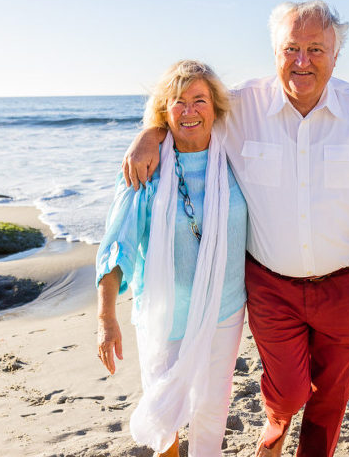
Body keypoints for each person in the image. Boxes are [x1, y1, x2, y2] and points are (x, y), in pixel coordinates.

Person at [122, 0, 349, 457]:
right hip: (271, 286)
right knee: (290, 392)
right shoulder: (240, 106)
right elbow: (189, 119)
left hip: (348, 283)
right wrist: (149, 134)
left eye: (316, 49)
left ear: (336, 55)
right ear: (274, 51)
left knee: (332, 396)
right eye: (291, 48)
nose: (302, 61)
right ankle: (273, 430)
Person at [95, 60, 248, 457]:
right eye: (178, 102)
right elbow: (118, 244)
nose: (189, 110)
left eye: (199, 100)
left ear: (215, 107)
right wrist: (106, 318)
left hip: (225, 309)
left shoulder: (237, 156)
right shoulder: (145, 167)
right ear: (164, 110)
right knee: (165, 419)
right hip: (165, 314)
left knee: (212, 412)